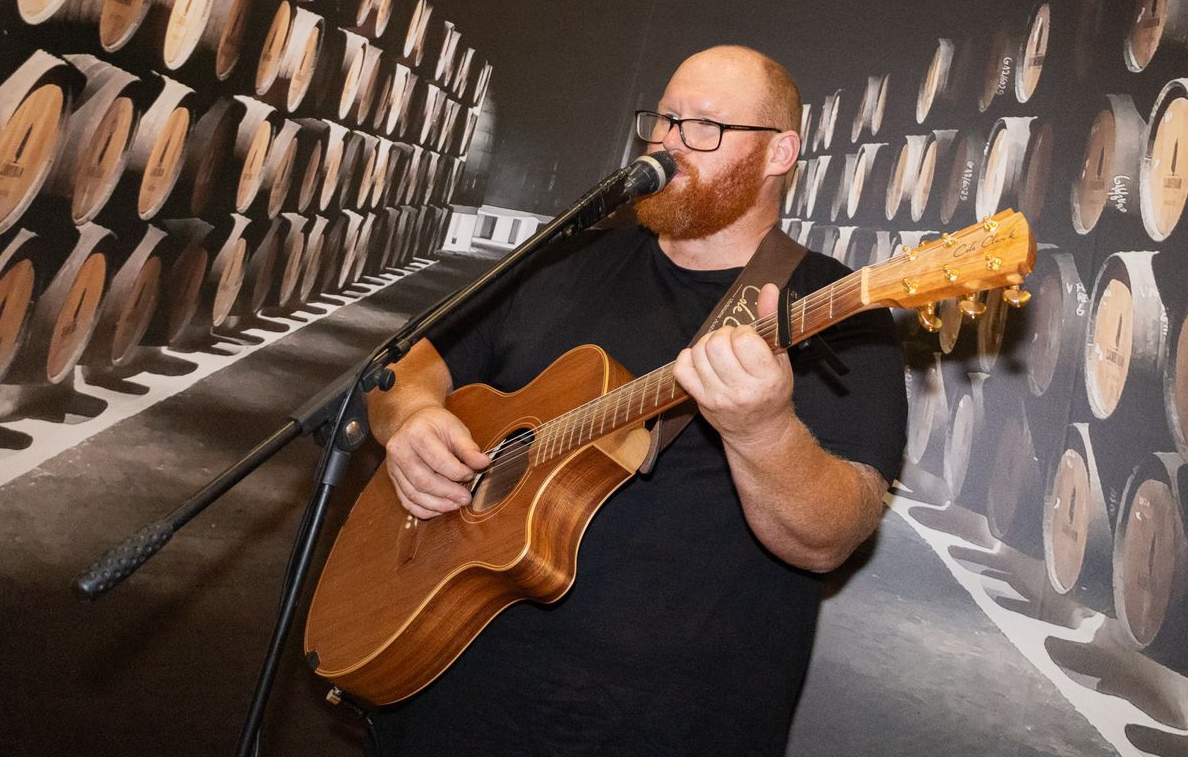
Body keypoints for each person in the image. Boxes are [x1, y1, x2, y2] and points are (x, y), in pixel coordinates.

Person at [362, 45, 907, 757]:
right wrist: (415, 420)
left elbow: (830, 537)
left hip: (668, 727)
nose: (671, 143)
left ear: (780, 153)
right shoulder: (562, 261)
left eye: (704, 126)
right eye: (664, 119)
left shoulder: (834, 310)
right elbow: (399, 374)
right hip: (453, 692)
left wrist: (762, 430)